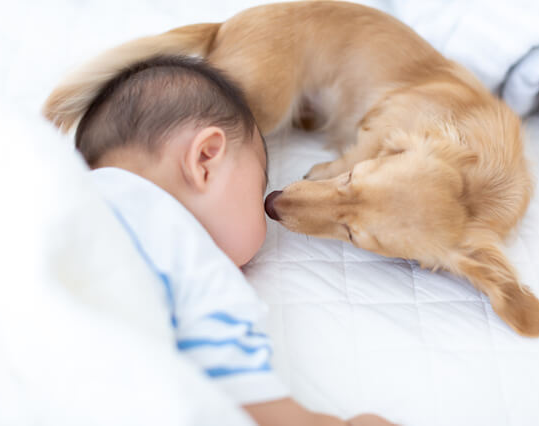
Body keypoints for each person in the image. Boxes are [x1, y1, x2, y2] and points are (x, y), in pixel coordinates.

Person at [83, 55, 393, 426]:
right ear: (205, 160)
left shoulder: (64, 191)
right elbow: (240, 393)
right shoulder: (190, 252)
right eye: (259, 185)